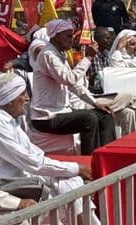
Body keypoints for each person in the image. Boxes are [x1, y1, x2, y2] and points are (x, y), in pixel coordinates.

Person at [0, 73, 98, 225]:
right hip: (7, 185)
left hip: (25, 177)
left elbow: (35, 154)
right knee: (68, 183)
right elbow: (32, 162)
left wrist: (69, 171)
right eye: (22, 94)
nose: (27, 98)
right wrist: (75, 168)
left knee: (71, 183)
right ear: (9, 99)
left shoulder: (11, 120)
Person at [29, 19, 130, 154]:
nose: (71, 40)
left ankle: (107, 156)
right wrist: (87, 58)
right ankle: (90, 161)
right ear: (56, 36)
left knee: (104, 115)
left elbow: (74, 86)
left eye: (72, 36)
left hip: (61, 112)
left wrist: (95, 103)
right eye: (68, 36)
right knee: (89, 119)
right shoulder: (48, 54)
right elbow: (69, 80)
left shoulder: (59, 55)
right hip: (46, 117)